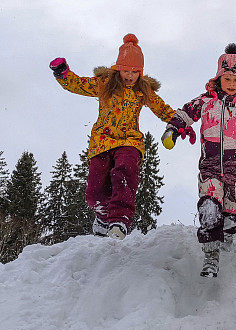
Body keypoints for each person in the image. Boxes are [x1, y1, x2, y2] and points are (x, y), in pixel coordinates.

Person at [163, 44, 236, 277]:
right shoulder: (206, 101)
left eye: (235, 80)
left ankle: (227, 234)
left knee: (233, 216)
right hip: (209, 165)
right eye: (226, 78)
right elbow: (186, 113)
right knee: (209, 207)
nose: (230, 83)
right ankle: (211, 255)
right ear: (219, 78)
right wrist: (173, 130)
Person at [49, 34, 176, 240]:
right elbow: (79, 84)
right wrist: (63, 73)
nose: (129, 76)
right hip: (102, 142)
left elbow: (161, 108)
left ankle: (119, 219)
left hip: (130, 141)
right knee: (95, 190)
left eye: (134, 72)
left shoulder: (143, 90)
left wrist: (178, 122)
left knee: (124, 172)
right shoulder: (105, 83)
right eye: (126, 70)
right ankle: (102, 216)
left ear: (140, 72)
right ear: (118, 68)